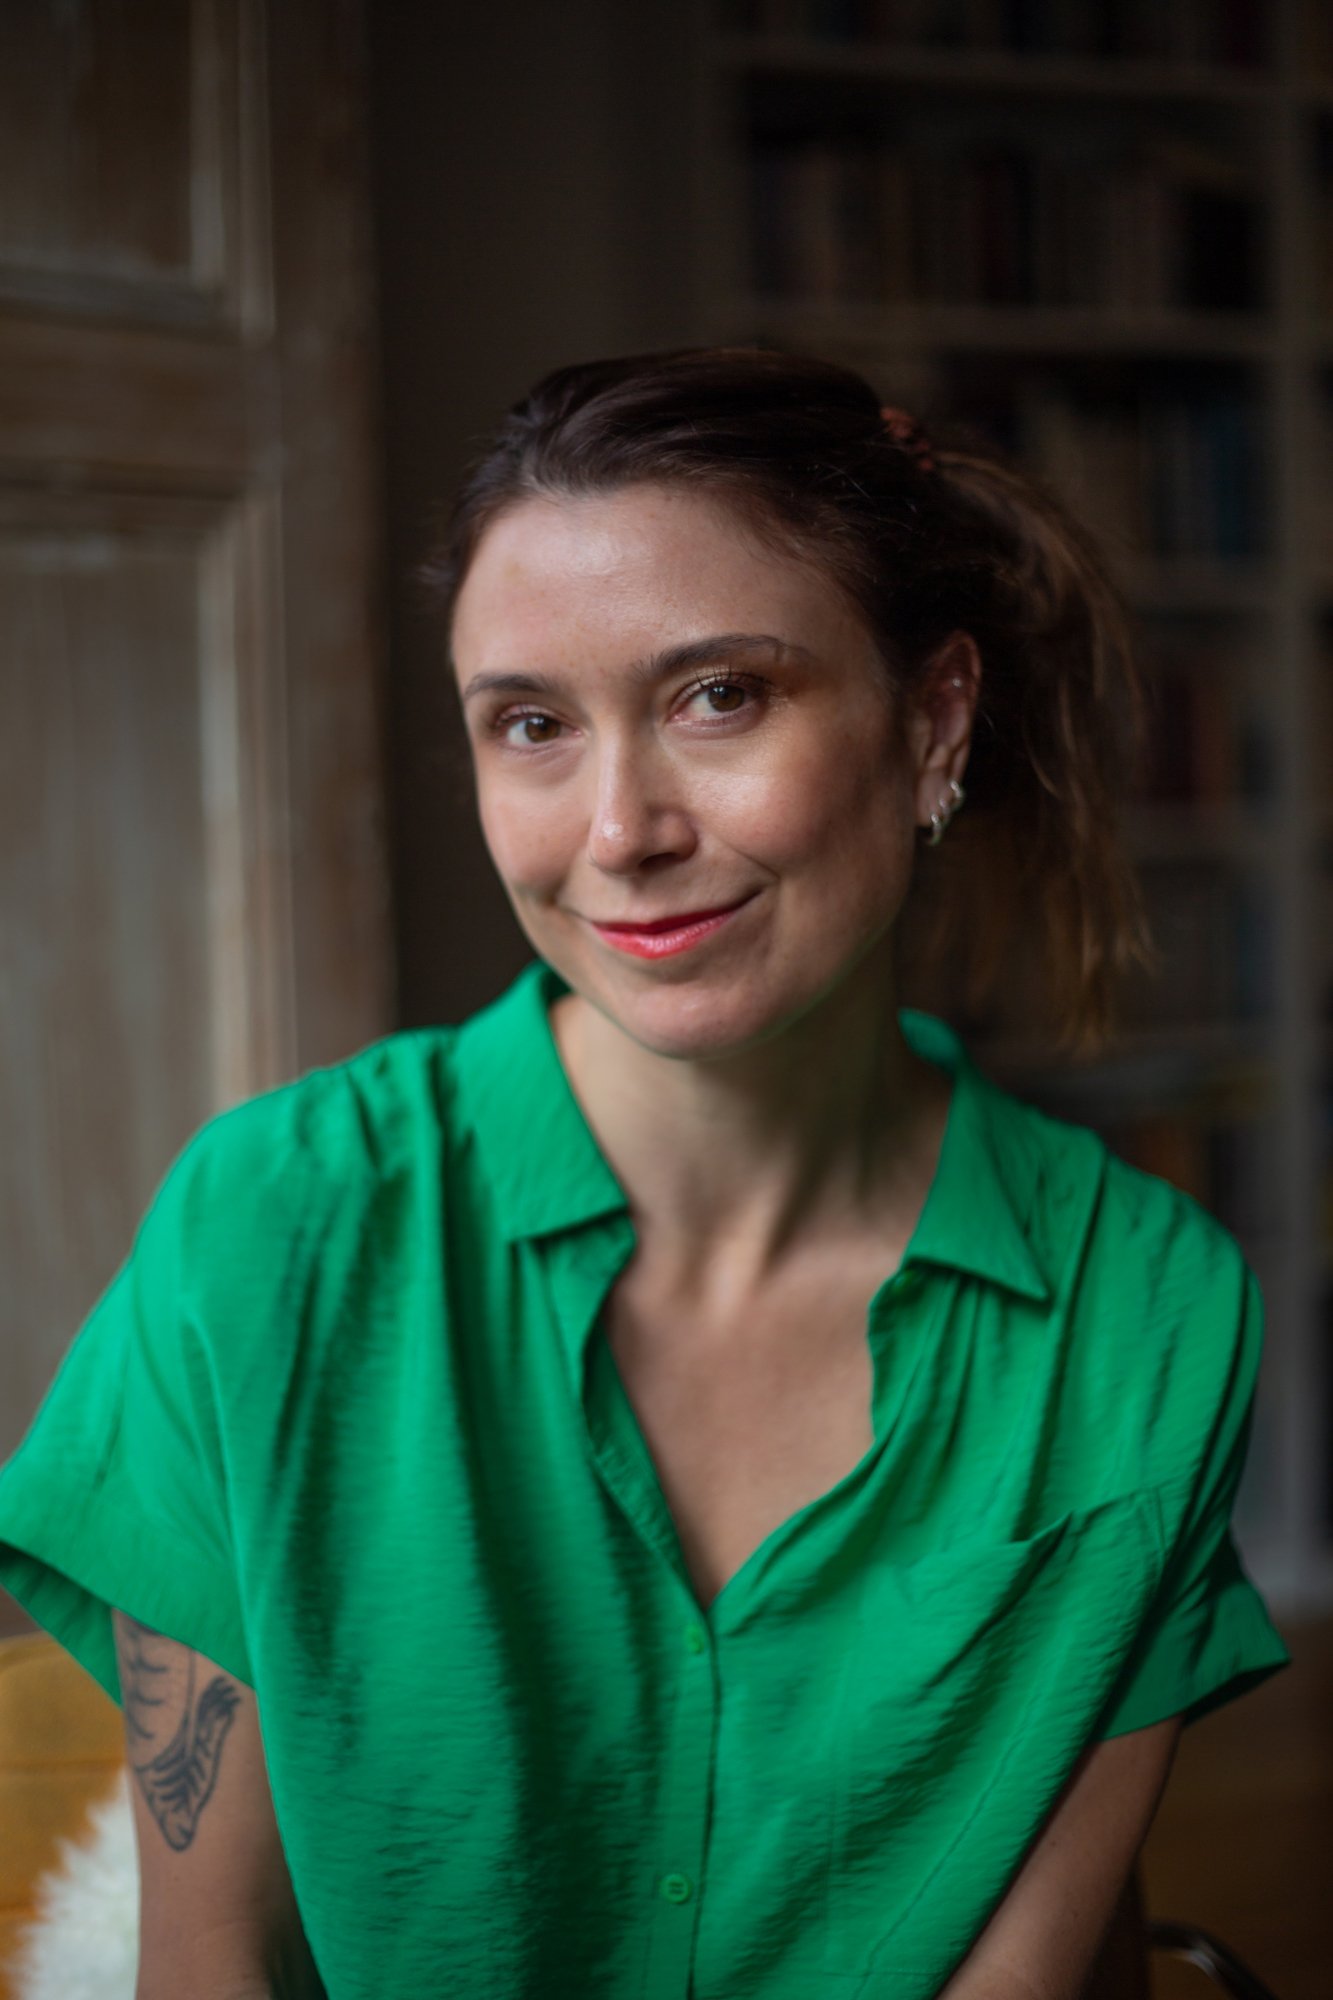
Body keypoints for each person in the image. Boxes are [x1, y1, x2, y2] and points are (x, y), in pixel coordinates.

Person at [0, 346, 1290, 2000]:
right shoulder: (273, 1229)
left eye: (718, 696)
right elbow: (209, 1971)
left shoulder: (1144, 1309)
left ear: (932, 722)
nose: (619, 830)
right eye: (531, 725)